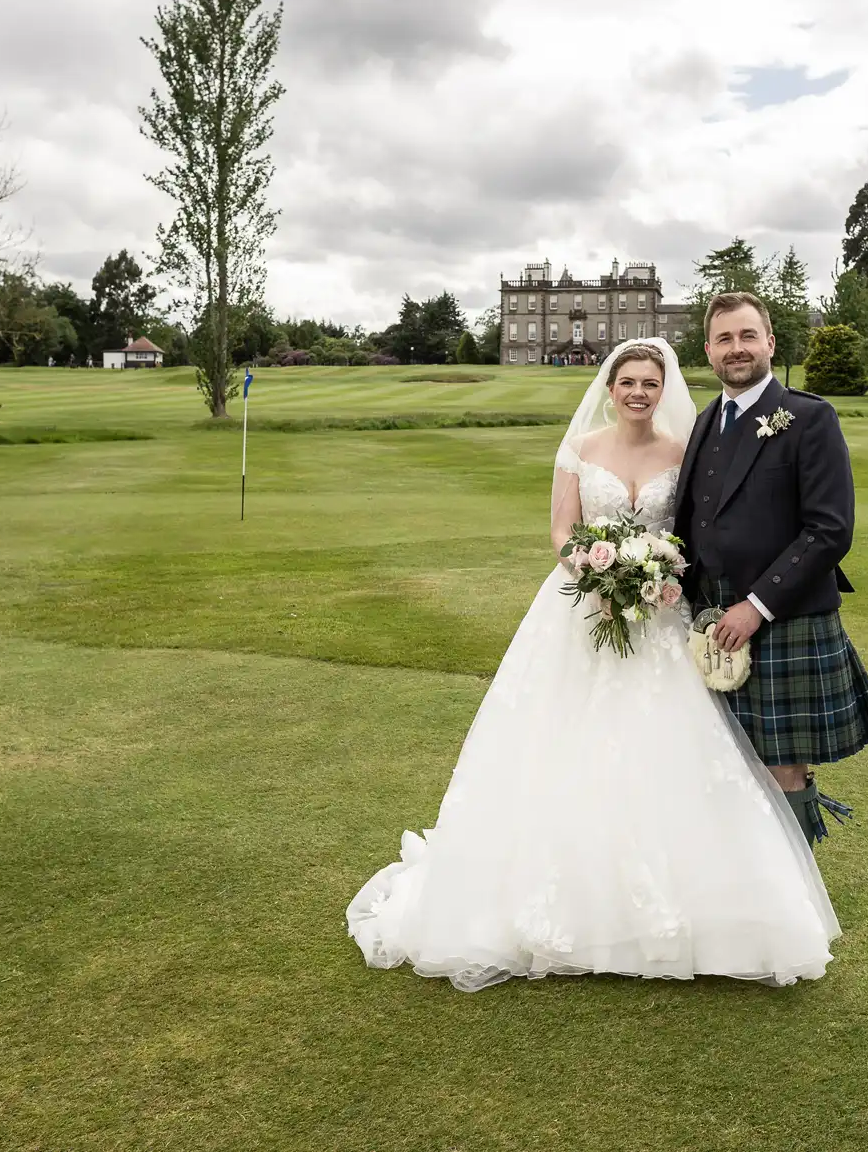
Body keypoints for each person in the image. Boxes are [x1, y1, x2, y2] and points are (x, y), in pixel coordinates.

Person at [347, 338, 838, 991]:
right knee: (561, 743)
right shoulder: (580, 448)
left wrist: (666, 573)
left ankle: (702, 903)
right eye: (628, 381)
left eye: (650, 383)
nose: (639, 392)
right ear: (609, 387)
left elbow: (694, 529)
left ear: (663, 390)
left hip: (659, 620)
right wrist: (594, 571)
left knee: (672, 749)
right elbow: (560, 530)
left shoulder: (682, 451)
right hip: (582, 614)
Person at [674, 292, 868, 842]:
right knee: (724, 755)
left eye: (747, 336)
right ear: (708, 351)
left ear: (770, 342)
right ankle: (747, 882)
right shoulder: (702, 423)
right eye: (724, 339)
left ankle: (798, 901)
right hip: (710, 621)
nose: (736, 348)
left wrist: (756, 605)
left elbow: (829, 530)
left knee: (783, 763)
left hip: (782, 616)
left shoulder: (810, 417)